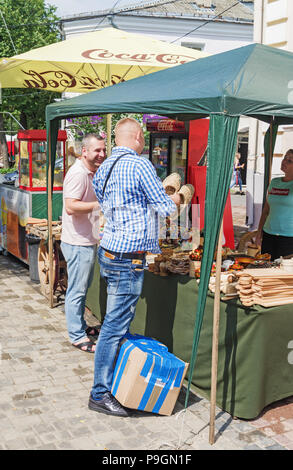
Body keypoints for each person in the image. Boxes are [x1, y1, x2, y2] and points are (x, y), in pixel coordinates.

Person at [88, 117, 181, 417]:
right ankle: (100, 393)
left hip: (110, 250)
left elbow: (107, 204)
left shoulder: (104, 167)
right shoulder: (140, 165)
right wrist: (179, 196)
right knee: (114, 327)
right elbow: (166, 208)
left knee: (113, 325)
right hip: (128, 256)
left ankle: (113, 382)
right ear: (138, 137)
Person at [61, 134, 106, 353]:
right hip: (78, 243)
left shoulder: (90, 172)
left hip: (85, 240)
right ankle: (76, 336)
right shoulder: (78, 174)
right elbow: (71, 206)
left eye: (103, 150)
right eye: (97, 150)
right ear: (85, 151)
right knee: (77, 291)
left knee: (81, 289)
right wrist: (99, 205)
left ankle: (80, 326)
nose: (102, 154)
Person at [255, 149, 293, 260]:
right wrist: (259, 233)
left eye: (290, 160)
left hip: (289, 237)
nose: (284, 161)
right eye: (285, 157)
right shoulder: (274, 182)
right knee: (266, 267)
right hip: (268, 234)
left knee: (284, 273)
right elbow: (266, 210)